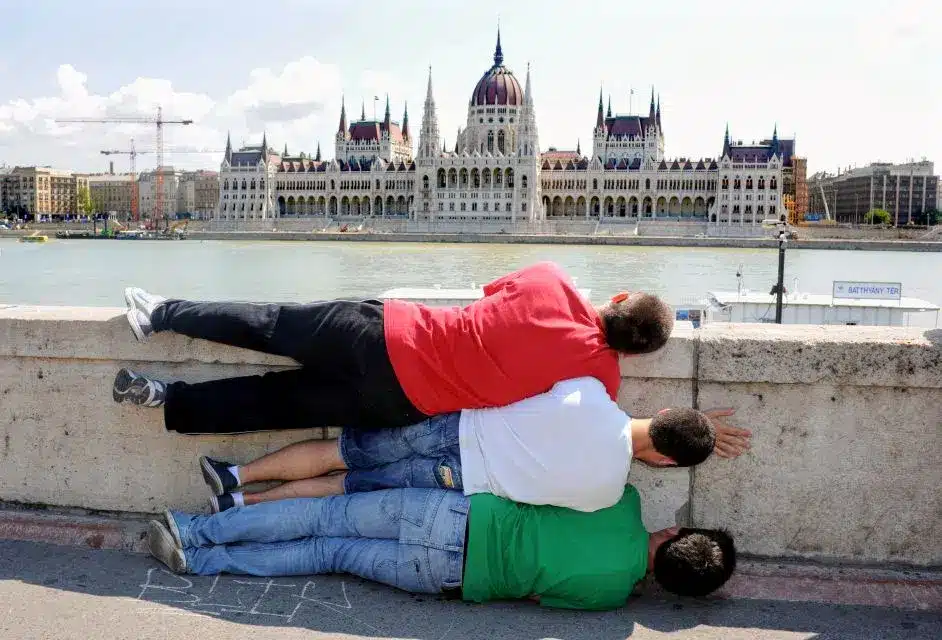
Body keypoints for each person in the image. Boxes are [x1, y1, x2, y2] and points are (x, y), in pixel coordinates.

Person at [111, 261, 674, 434]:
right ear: (633, 353)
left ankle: (158, 314)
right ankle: (166, 398)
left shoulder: (551, 281)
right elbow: (621, 426)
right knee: (272, 407)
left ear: (618, 296)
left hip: (387, 335)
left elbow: (488, 296)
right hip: (399, 406)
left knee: (268, 323)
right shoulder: (602, 381)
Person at [192, 377, 749, 513]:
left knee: (342, 450)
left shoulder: (592, 394)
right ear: (669, 463)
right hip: (460, 482)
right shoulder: (603, 495)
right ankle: (240, 504)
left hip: (452, 430)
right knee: (345, 484)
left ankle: (238, 473)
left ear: (669, 412)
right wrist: (694, 438)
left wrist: (692, 421)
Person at [147, 484, 736, 610]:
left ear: (676, 535)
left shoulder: (624, 501)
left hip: (451, 514)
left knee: (324, 514)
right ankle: (201, 562)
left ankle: (195, 530)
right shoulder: (608, 596)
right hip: (444, 577)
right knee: (326, 553)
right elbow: (536, 599)